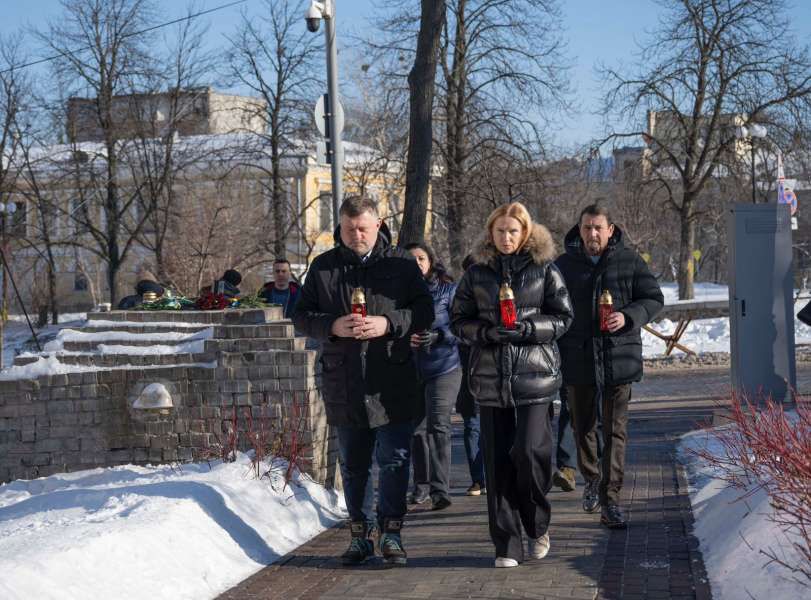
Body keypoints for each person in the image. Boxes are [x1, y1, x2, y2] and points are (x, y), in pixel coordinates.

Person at [292, 195, 433, 567]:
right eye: (349, 228)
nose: (356, 234)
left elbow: (424, 310)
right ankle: (359, 534)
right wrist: (332, 326)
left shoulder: (401, 263)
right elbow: (301, 315)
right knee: (353, 464)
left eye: (363, 228)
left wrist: (389, 324)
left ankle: (391, 533)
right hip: (345, 381)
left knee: (393, 460)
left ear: (378, 225)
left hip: (392, 378)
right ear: (340, 227)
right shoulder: (323, 267)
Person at [451, 201, 573, 568]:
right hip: (490, 379)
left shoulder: (544, 269)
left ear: (526, 233)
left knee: (531, 452)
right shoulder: (476, 274)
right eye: (500, 231)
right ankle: (506, 544)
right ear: (491, 232)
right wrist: (485, 332)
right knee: (497, 462)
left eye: (513, 231)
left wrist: (529, 329)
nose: (506, 237)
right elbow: (458, 320)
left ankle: (536, 525)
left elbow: (564, 317)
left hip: (535, 377)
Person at [555, 203, 664, 529]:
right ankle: (591, 478)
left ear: (610, 229)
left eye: (598, 228)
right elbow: (551, 304)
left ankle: (611, 500)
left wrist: (628, 316)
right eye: (587, 227)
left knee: (615, 432)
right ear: (580, 228)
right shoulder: (564, 264)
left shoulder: (628, 260)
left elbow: (653, 298)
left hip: (619, 358)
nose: (592, 234)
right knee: (582, 426)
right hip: (578, 357)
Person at [404, 242, 462, 511]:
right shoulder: (398, 293)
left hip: (445, 366)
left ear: (430, 261)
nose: (416, 263)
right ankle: (422, 486)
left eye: (421, 258)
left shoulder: (448, 290)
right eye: (411, 259)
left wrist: (440, 336)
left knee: (438, 425)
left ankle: (441, 490)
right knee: (416, 431)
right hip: (412, 369)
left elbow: (462, 329)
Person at [455, 254, 485, 497]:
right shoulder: (460, 297)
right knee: (472, 425)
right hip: (467, 370)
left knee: (486, 427)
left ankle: (487, 477)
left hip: (491, 370)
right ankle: (478, 478)